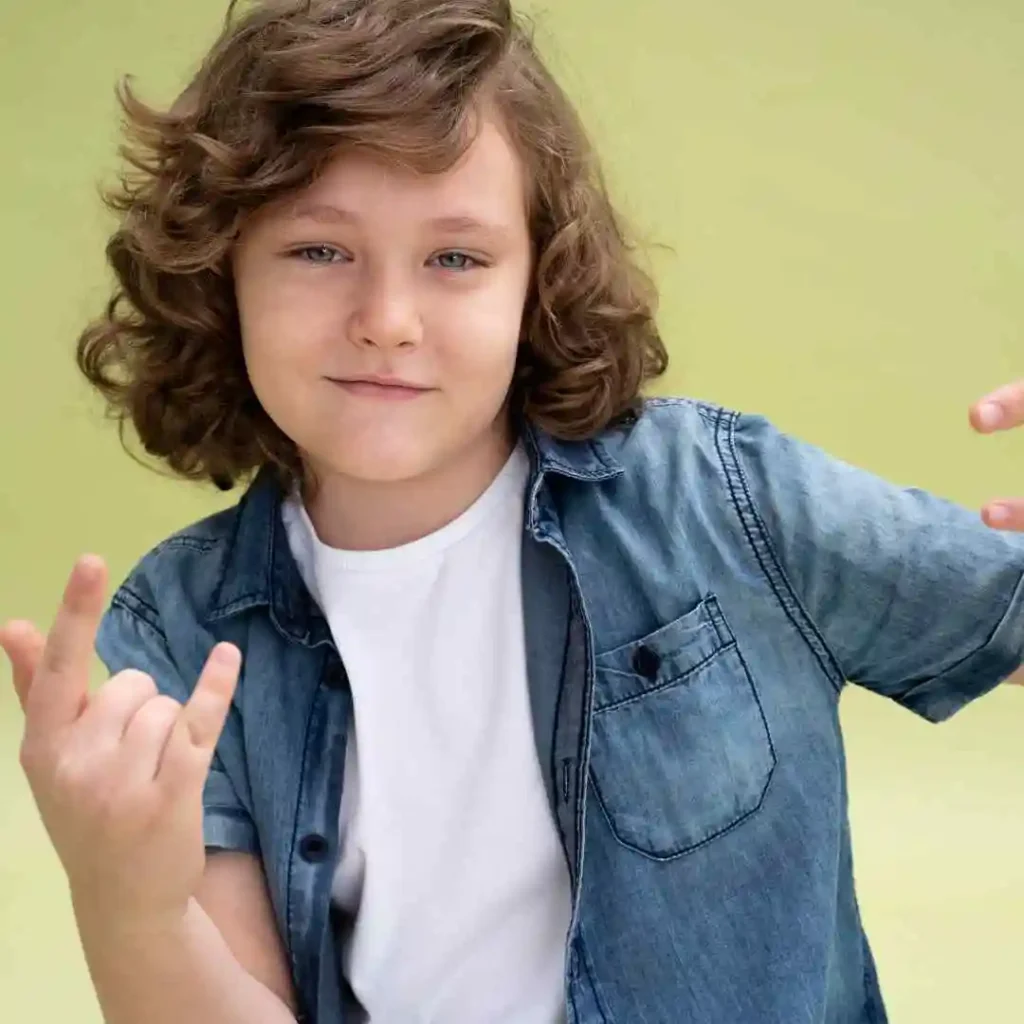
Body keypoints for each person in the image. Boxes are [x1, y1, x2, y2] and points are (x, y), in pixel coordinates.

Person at [2, 1, 1022, 1022]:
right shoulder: (187, 622)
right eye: (319, 250)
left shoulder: (718, 498)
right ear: (222, 271)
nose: (387, 322)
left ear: (536, 279)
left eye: (455, 258)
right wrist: (126, 902)